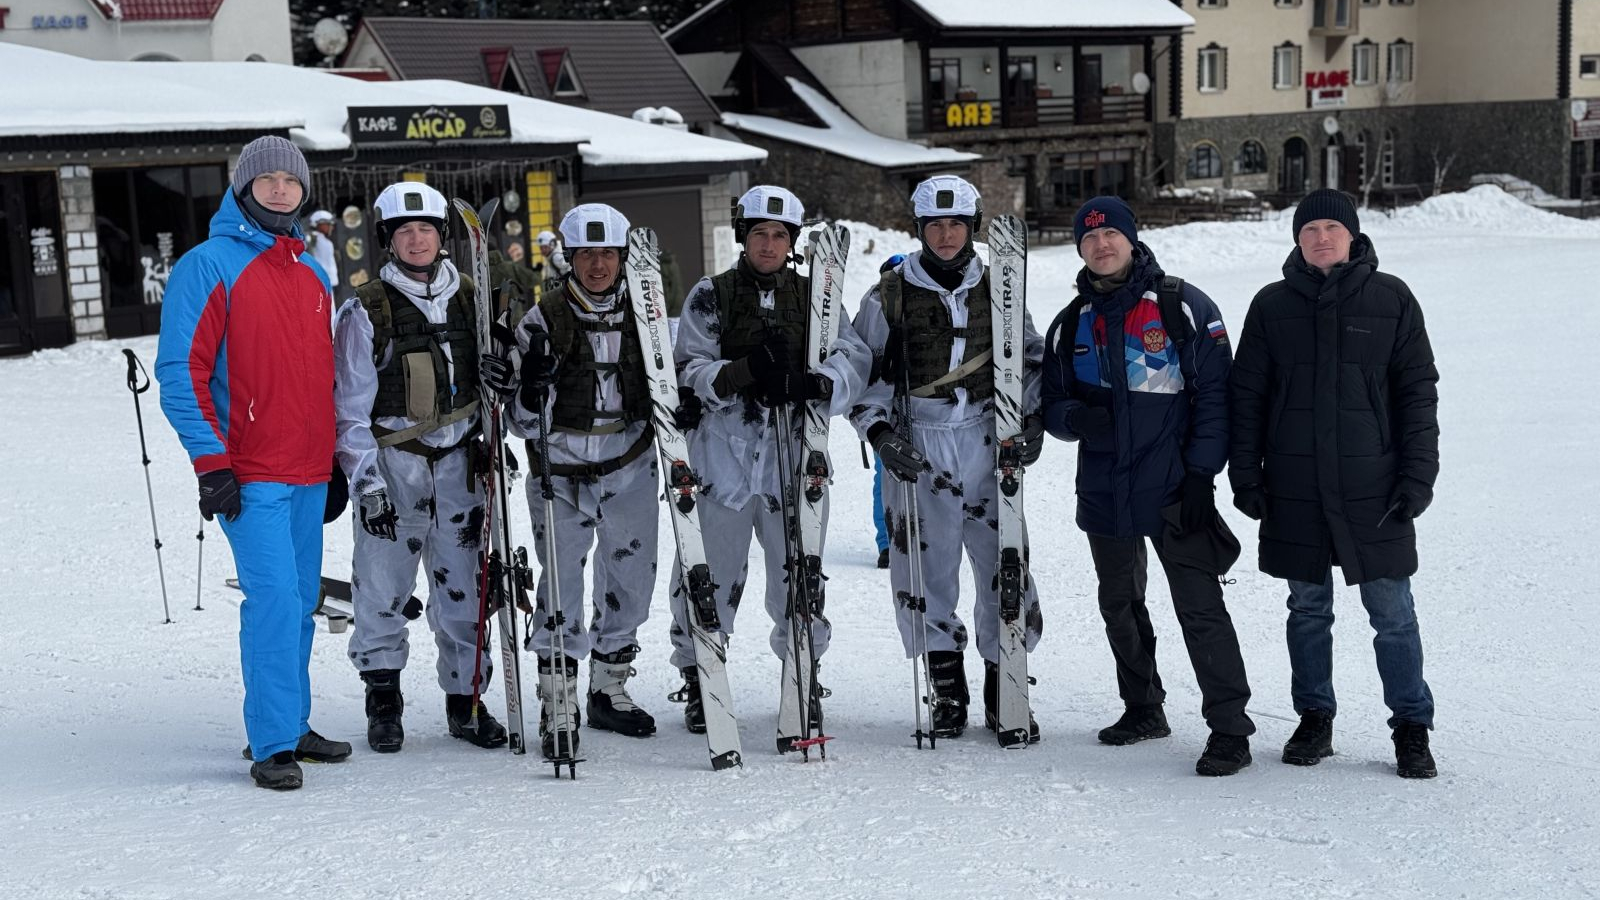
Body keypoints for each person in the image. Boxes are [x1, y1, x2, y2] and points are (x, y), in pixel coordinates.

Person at [155, 135, 349, 790]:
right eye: (263, 179)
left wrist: (335, 462)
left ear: (303, 193)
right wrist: (211, 463)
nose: (278, 189)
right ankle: (271, 743)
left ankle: (291, 723)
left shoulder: (311, 275)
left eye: (289, 181)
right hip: (249, 472)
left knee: (300, 604)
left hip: (306, 469)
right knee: (273, 600)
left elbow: (321, 378)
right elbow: (181, 372)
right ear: (242, 189)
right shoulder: (206, 267)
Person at [1229, 188, 1440, 779]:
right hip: (1295, 484)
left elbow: (1417, 393)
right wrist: (1246, 474)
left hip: (1374, 485)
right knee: (1307, 607)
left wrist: (1417, 474)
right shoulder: (1271, 306)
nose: (1321, 238)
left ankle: (1411, 725)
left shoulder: (1391, 298)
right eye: (1309, 229)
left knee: (1392, 611)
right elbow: (1248, 396)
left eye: (1332, 227)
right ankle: (1314, 717)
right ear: (1296, 239)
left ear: (1352, 234)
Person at [1041, 195, 1255, 776]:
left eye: (1111, 234)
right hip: (1105, 489)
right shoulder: (1071, 323)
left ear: (1132, 240)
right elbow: (1050, 405)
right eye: (1089, 238)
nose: (1101, 245)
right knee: (1120, 603)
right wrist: (1076, 419)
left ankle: (1230, 728)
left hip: (1172, 486)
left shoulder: (1180, 306)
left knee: (1199, 606)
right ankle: (1143, 707)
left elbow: (1215, 396)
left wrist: (1201, 477)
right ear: (1079, 249)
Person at [670, 185, 871, 746]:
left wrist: (815, 382)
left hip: (792, 458)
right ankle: (699, 670)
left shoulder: (818, 298)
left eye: (780, 235)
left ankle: (803, 667)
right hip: (724, 460)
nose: (769, 243)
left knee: (799, 571)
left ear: (793, 243)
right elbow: (687, 366)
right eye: (759, 233)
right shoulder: (712, 295)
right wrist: (741, 373)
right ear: (743, 237)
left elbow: (854, 356)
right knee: (710, 573)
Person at [849, 174, 1045, 742]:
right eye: (935, 224)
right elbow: (863, 371)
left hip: (988, 434)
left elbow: (1028, 359)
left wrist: (1034, 418)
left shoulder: (1002, 285)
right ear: (919, 229)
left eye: (956, 223)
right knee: (924, 567)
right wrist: (880, 433)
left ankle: (1003, 679)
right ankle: (946, 687)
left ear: (973, 226)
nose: (946, 234)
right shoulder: (887, 294)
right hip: (921, 438)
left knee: (1004, 561)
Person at [480, 203, 662, 762]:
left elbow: (671, 388)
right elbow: (513, 417)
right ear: (571, 258)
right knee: (559, 585)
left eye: (609, 254)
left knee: (632, 578)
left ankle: (608, 687)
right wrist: (528, 389)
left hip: (628, 461)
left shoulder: (648, 317)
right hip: (561, 469)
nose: (600, 265)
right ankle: (557, 699)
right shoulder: (543, 319)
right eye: (588, 254)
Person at [332, 180, 507, 756]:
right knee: (382, 587)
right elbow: (350, 408)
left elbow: (497, 379)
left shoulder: (474, 298)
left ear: (441, 236)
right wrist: (367, 484)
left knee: (464, 588)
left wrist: (498, 399)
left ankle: (466, 699)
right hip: (395, 464)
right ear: (388, 240)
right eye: (404, 231)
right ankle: (384, 698)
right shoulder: (366, 309)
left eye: (426, 229)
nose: (416, 239)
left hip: (460, 464)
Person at [305, 209, 338, 288]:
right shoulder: (312, 237)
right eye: (328, 224)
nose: (331, 227)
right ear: (319, 224)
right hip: (317, 283)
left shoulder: (325, 240)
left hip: (327, 284)